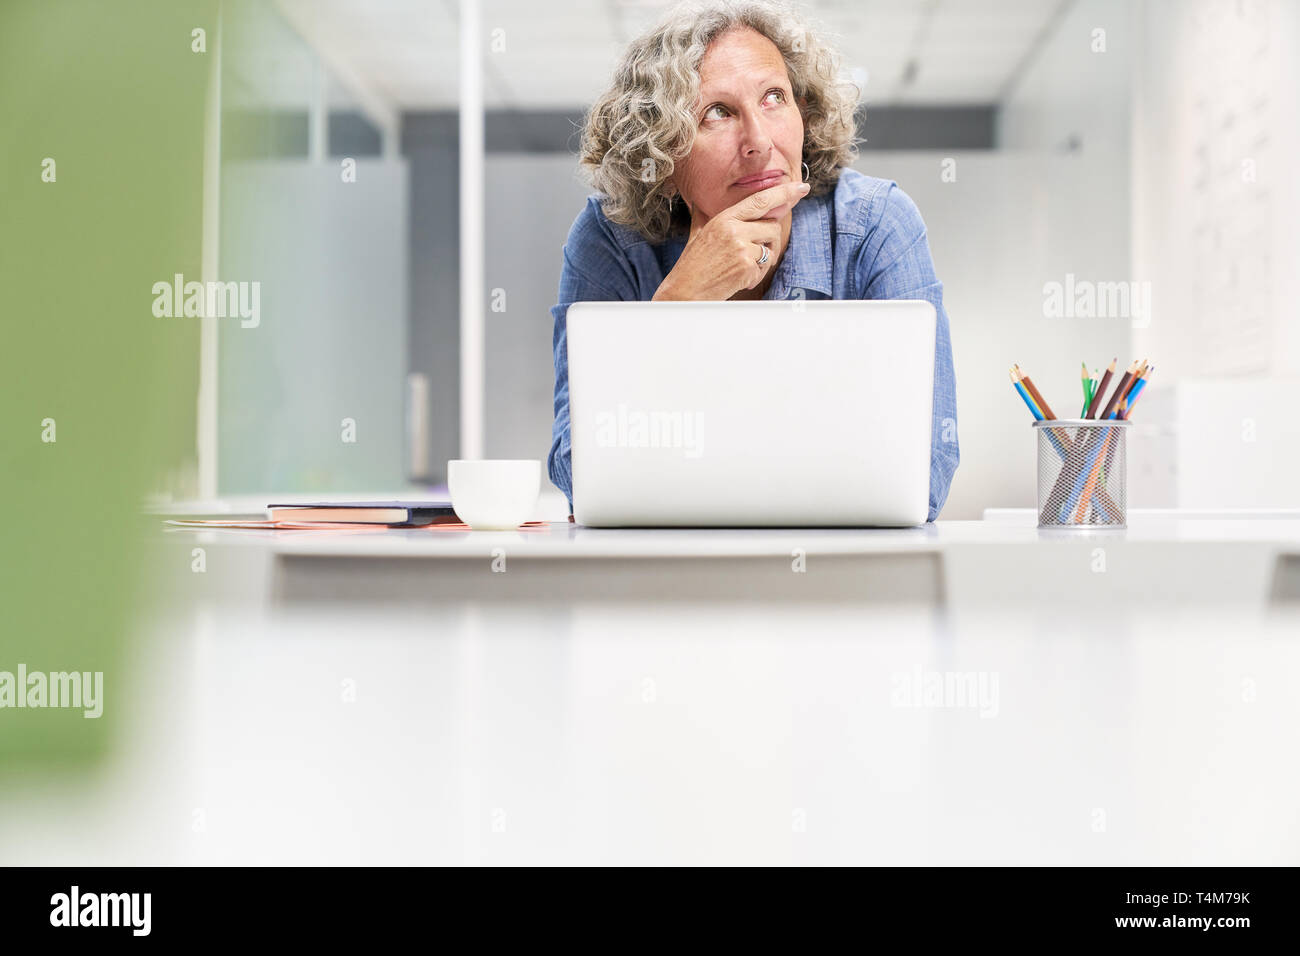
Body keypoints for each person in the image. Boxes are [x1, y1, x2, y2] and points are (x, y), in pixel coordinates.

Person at [549, 0, 959, 521]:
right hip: (668, 576)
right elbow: (579, 473)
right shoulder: (609, 240)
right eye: (717, 112)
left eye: (774, 98)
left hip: (840, 575)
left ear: (804, 117)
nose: (760, 143)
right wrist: (678, 302)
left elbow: (927, 474)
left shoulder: (877, 225)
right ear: (662, 155)